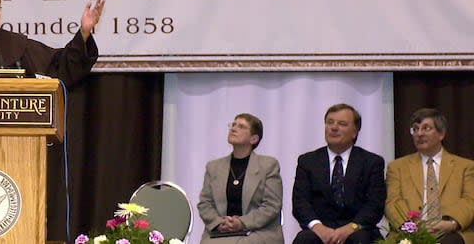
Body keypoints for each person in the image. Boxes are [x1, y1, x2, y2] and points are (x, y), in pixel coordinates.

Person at [292, 103, 385, 244]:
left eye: (342, 124)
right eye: (330, 123)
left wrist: (350, 228)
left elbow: (375, 204)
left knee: (362, 239)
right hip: (320, 229)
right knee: (304, 240)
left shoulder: (371, 162)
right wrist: (318, 227)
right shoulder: (307, 161)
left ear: (355, 132)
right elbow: (300, 202)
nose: (334, 128)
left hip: (357, 229)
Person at [384, 108, 474, 244]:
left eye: (426, 128)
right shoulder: (397, 167)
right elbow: (392, 202)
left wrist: (451, 223)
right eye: (415, 129)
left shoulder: (465, 166)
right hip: (410, 231)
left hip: (451, 231)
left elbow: (470, 200)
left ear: (441, 134)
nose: (419, 134)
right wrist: (412, 226)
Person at [197, 113, 284, 244]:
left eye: (241, 126)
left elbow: (271, 206)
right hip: (220, 233)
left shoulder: (268, 165)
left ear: (254, 139)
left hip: (258, 232)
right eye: (233, 124)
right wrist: (218, 223)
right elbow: (205, 203)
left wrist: (242, 223)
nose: (233, 128)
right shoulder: (213, 167)